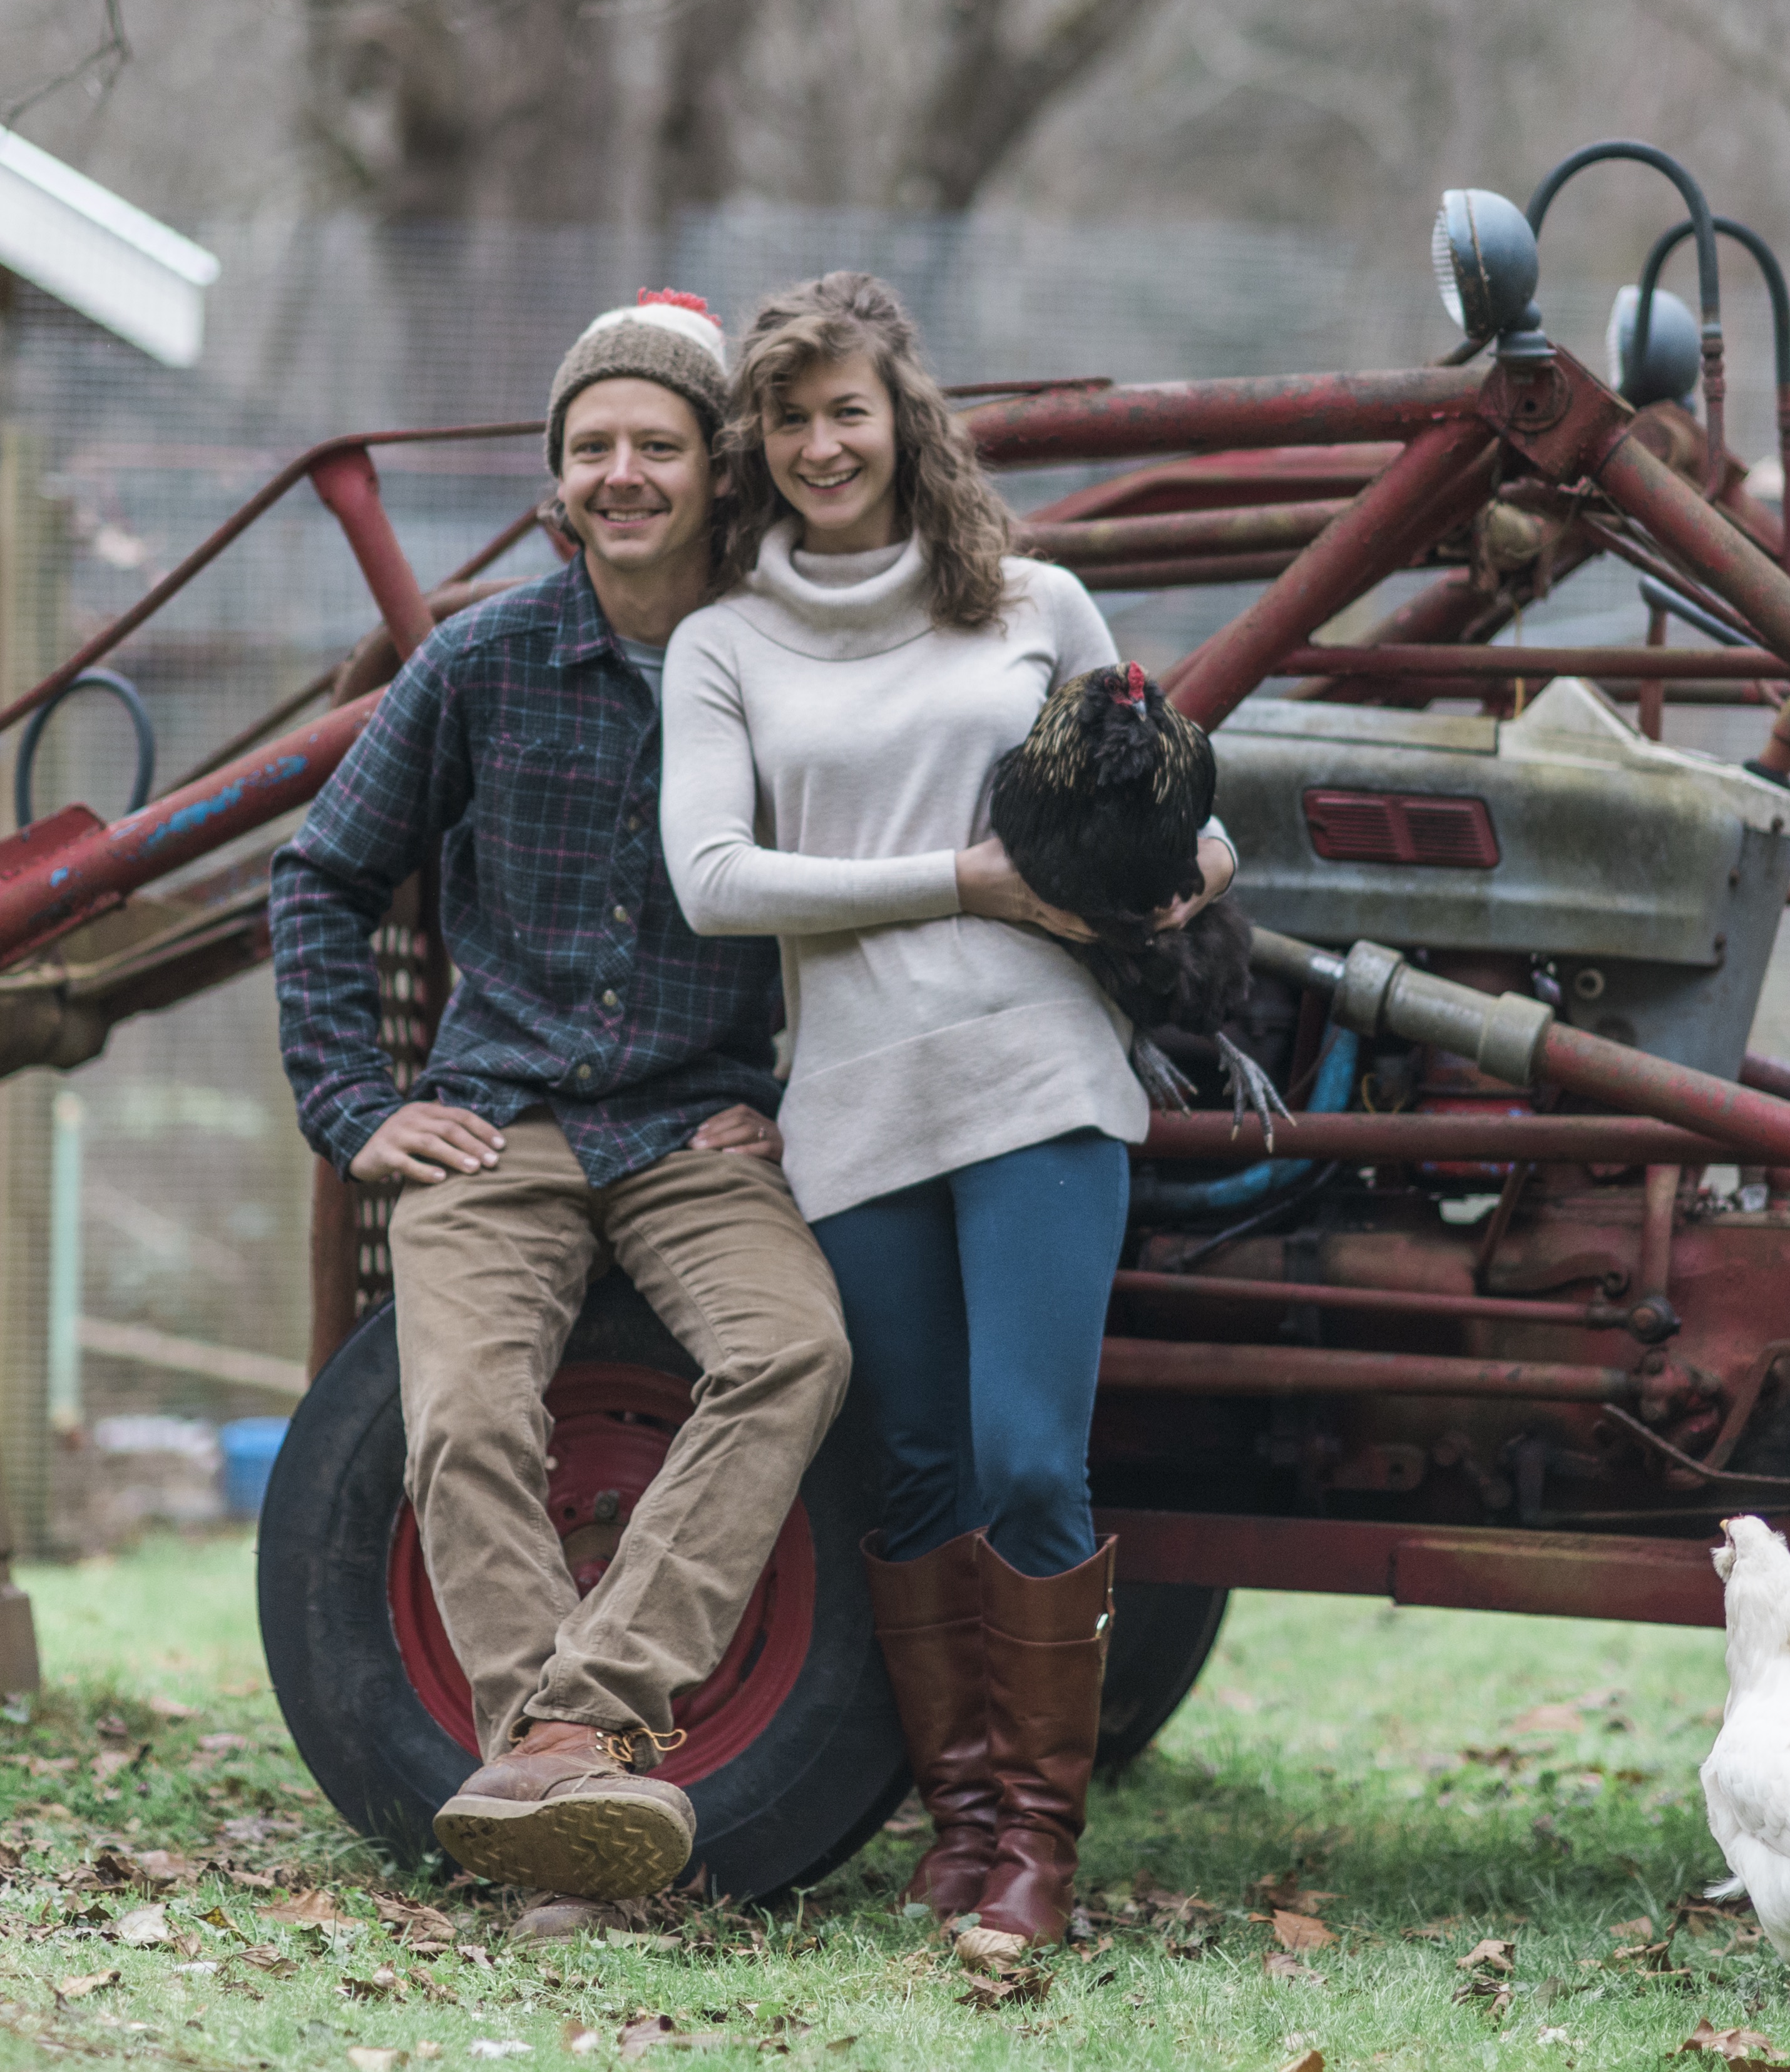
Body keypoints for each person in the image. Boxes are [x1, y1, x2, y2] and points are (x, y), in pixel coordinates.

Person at [658, 271, 1233, 1944]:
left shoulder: (1037, 603)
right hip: (851, 1099)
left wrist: (1185, 867)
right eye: (791, 416)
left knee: (1026, 1459)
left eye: (850, 407)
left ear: (907, 417)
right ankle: (960, 1817)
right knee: (911, 1476)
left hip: (1041, 1077)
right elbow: (710, 879)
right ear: (757, 446)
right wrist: (967, 881)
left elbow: (1168, 815)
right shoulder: (724, 645)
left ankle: (1041, 1842)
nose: (825, 441)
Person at [270, 291, 851, 1937]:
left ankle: (570, 1731)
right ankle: (562, 1779)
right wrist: (353, 1106)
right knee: (457, 1420)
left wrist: (809, 1107)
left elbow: (869, 910)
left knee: (795, 1349)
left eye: (654, 444)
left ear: (714, 469)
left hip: (699, 1133)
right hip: (496, 1126)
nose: (621, 473)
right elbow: (319, 875)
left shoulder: (779, 670)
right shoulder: (481, 662)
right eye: (591, 446)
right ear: (557, 477)